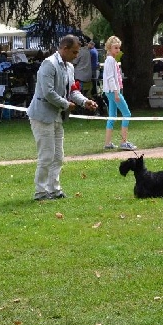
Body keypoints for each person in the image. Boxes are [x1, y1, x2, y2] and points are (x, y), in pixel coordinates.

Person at [27, 34, 98, 201]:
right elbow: (48, 93)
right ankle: (41, 192)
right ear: (64, 49)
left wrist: (84, 101)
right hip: (42, 116)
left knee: (58, 156)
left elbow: (73, 91)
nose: (76, 56)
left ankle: (54, 189)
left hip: (57, 116)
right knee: (46, 156)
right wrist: (67, 104)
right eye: (74, 52)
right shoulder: (49, 64)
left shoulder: (69, 67)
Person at [102, 36, 136, 151]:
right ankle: (124, 142)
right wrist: (116, 93)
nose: (117, 50)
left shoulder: (109, 60)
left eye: (118, 48)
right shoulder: (111, 60)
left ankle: (107, 143)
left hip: (110, 91)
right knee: (127, 114)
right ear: (109, 48)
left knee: (112, 116)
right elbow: (111, 78)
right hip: (113, 91)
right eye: (115, 48)